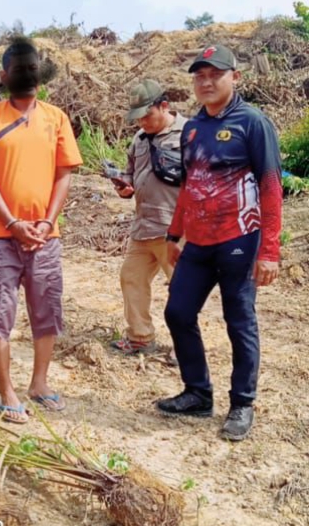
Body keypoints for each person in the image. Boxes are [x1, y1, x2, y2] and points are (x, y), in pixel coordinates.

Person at [156, 44, 282, 441]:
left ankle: (242, 404)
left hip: (239, 240)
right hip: (200, 243)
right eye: (199, 75)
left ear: (235, 77)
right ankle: (197, 393)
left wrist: (270, 251)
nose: (206, 81)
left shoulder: (253, 123)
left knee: (239, 321)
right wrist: (175, 235)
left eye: (215, 74)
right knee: (177, 312)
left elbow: (271, 187)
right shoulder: (192, 128)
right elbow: (190, 187)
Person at [0, 37, 82, 424]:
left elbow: (64, 174)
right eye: (18, 68)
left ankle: (39, 382)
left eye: (32, 67)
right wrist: (13, 224)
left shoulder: (56, 118)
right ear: (4, 75)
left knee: (45, 309)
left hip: (45, 237)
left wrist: (47, 222)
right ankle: (6, 389)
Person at [109, 79, 186, 362]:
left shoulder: (188, 134)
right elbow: (131, 172)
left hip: (175, 230)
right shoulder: (139, 139)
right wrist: (124, 186)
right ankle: (140, 337)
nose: (142, 122)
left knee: (181, 288)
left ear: (164, 106)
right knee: (131, 278)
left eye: (147, 115)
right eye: (138, 117)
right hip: (143, 228)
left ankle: (185, 346)